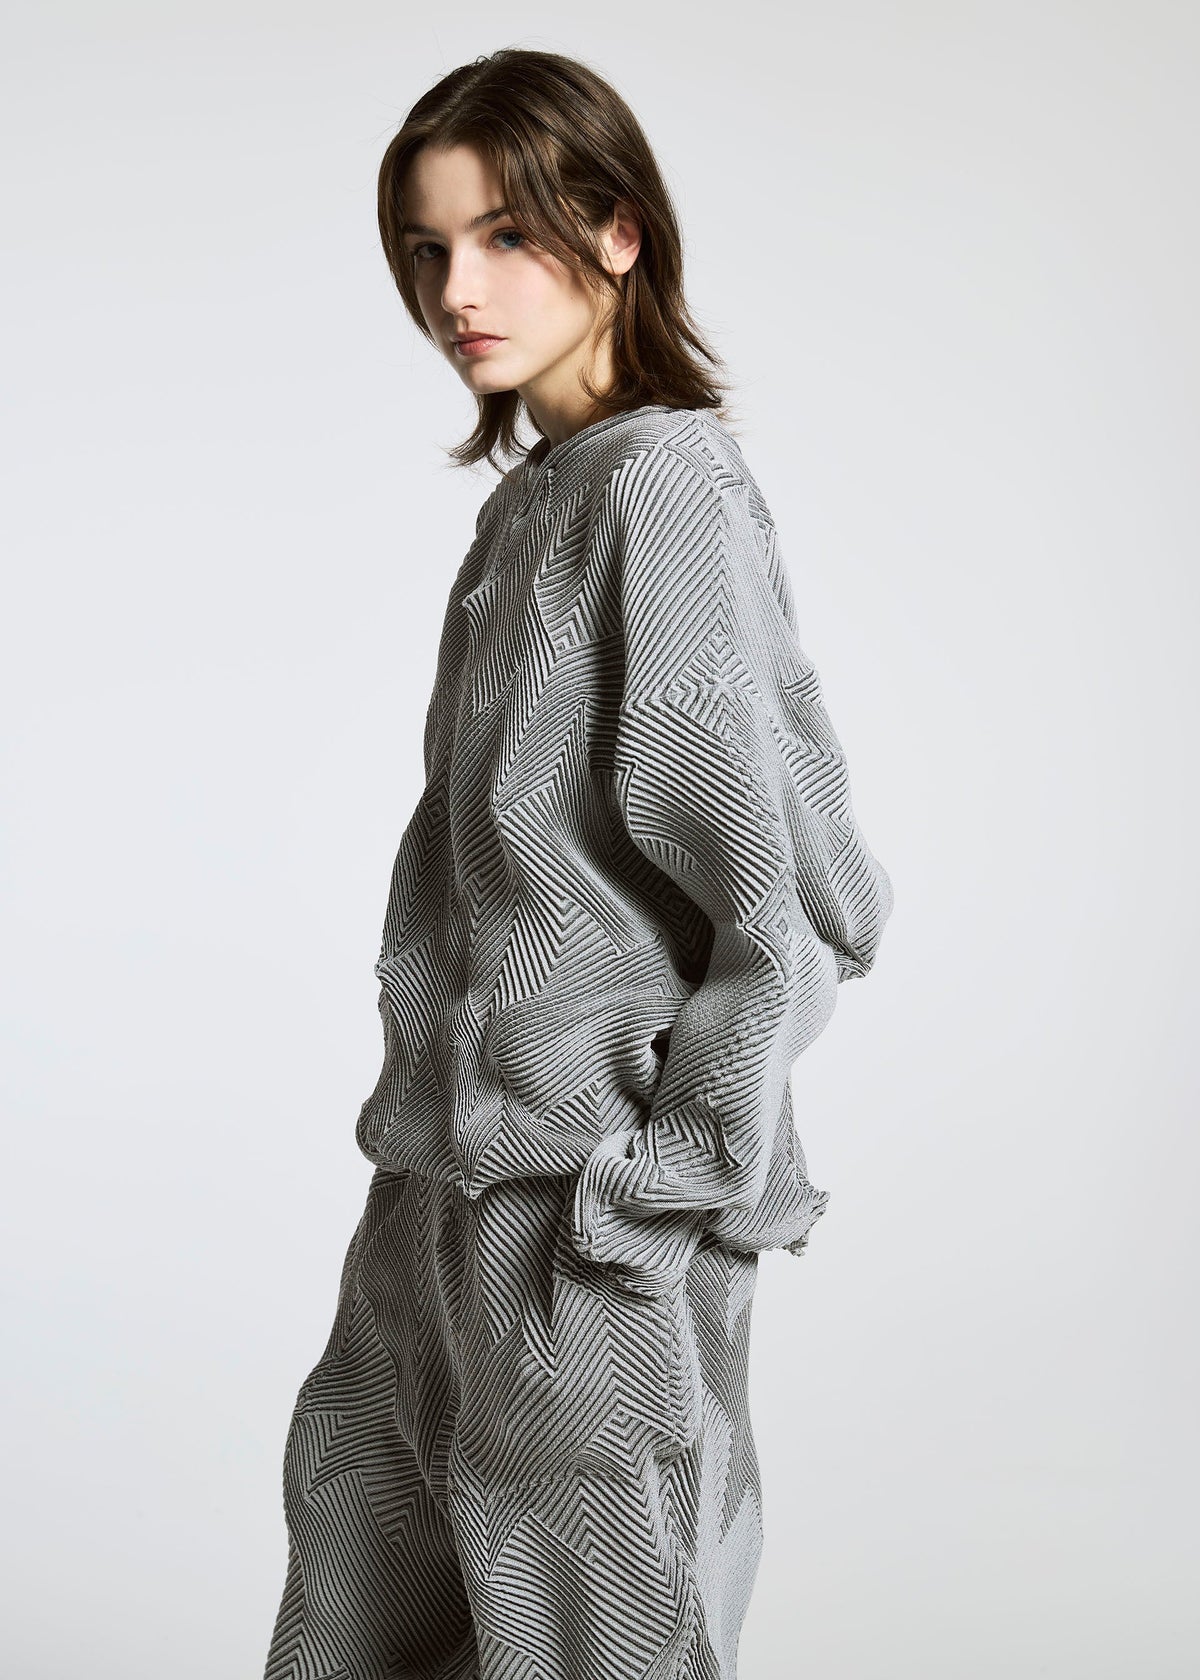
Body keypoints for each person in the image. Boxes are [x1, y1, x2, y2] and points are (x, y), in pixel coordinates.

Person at [263, 46, 894, 1680]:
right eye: (428, 248)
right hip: (435, 1196)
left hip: (578, 1214)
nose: (457, 289)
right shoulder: (528, 512)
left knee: (595, 1651)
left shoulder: (667, 486)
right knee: (355, 1619)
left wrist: (663, 1176)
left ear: (616, 233)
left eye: (504, 238)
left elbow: (787, 902)